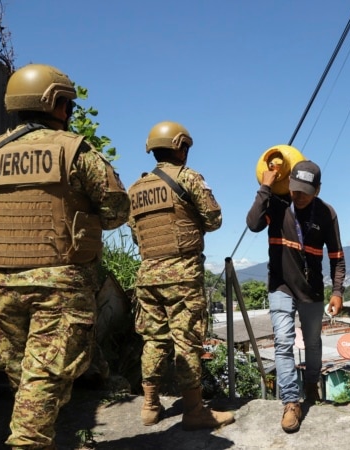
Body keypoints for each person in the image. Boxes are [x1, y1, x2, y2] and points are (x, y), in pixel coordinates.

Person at [0, 63, 131, 450]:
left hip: (2, 283)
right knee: (43, 382)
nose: (69, 113)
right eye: (67, 105)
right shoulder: (75, 151)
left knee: (27, 379)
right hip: (60, 286)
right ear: (54, 104)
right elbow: (117, 211)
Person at [128, 121, 234, 430]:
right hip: (182, 275)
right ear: (181, 147)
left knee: (153, 340)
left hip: (147, 275)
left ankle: (149, 406)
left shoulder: (136, 189)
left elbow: (136, 235)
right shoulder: (188, 178)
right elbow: (214, 219)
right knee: (186, 341)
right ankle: (193, 411)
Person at [246, 158, 346, 433]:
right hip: (280, 286)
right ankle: (291, 402)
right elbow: (253, 224)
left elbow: (337, 257)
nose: (298, 195)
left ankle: (312, 385)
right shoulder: (277, 206)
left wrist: (337, 292)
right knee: (283, 342)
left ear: (318, 189)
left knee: (313, 343)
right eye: (294, 188)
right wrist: (265, 188)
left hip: (312, 290)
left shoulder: (327, 214)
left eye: (305, 190)